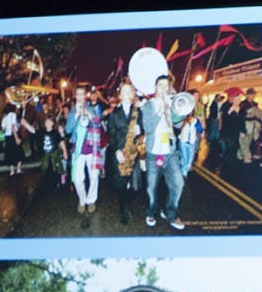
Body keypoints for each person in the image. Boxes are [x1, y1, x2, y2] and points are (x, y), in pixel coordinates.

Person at [140, 75, 185, 230]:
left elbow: (178, 125)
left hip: (170, 152)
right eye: (160, 85)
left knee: (178, 183)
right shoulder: (148, 105)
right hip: (153, 153)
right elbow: (148, 128)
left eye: (166, 86)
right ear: (155, 87)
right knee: (151, 186)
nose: (164, 89)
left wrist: (177, 111)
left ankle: (170, 211)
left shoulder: (171, 104)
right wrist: (161, 110)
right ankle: (151, 211)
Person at [64, 85, 105, 214]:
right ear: (76, 96)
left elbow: (98, 123)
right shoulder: (71, 112)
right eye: (78, 94)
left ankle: (91, 200)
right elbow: (67, 130)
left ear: (85, 96)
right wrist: (76, 115)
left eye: (83, 94)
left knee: (94, 176)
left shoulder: (92, 108)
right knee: (77, 178)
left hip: (92, 149)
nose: (81, 97)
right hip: (78, 151)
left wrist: (89, 115)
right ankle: (82, 200)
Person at [104, 82, 141, 224]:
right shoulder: (113, 114)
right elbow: (111, 135)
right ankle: (123, 208)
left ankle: (126, 202)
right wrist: (116, 151)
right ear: (119, 96)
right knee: (120, 184)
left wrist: (140, 130)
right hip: (120, 153)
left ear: (132, 95)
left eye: (129, 92)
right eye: (123, 92)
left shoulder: (138, 112)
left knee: (136, 186)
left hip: (134, 153)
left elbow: (143, 129)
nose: (126, 94)